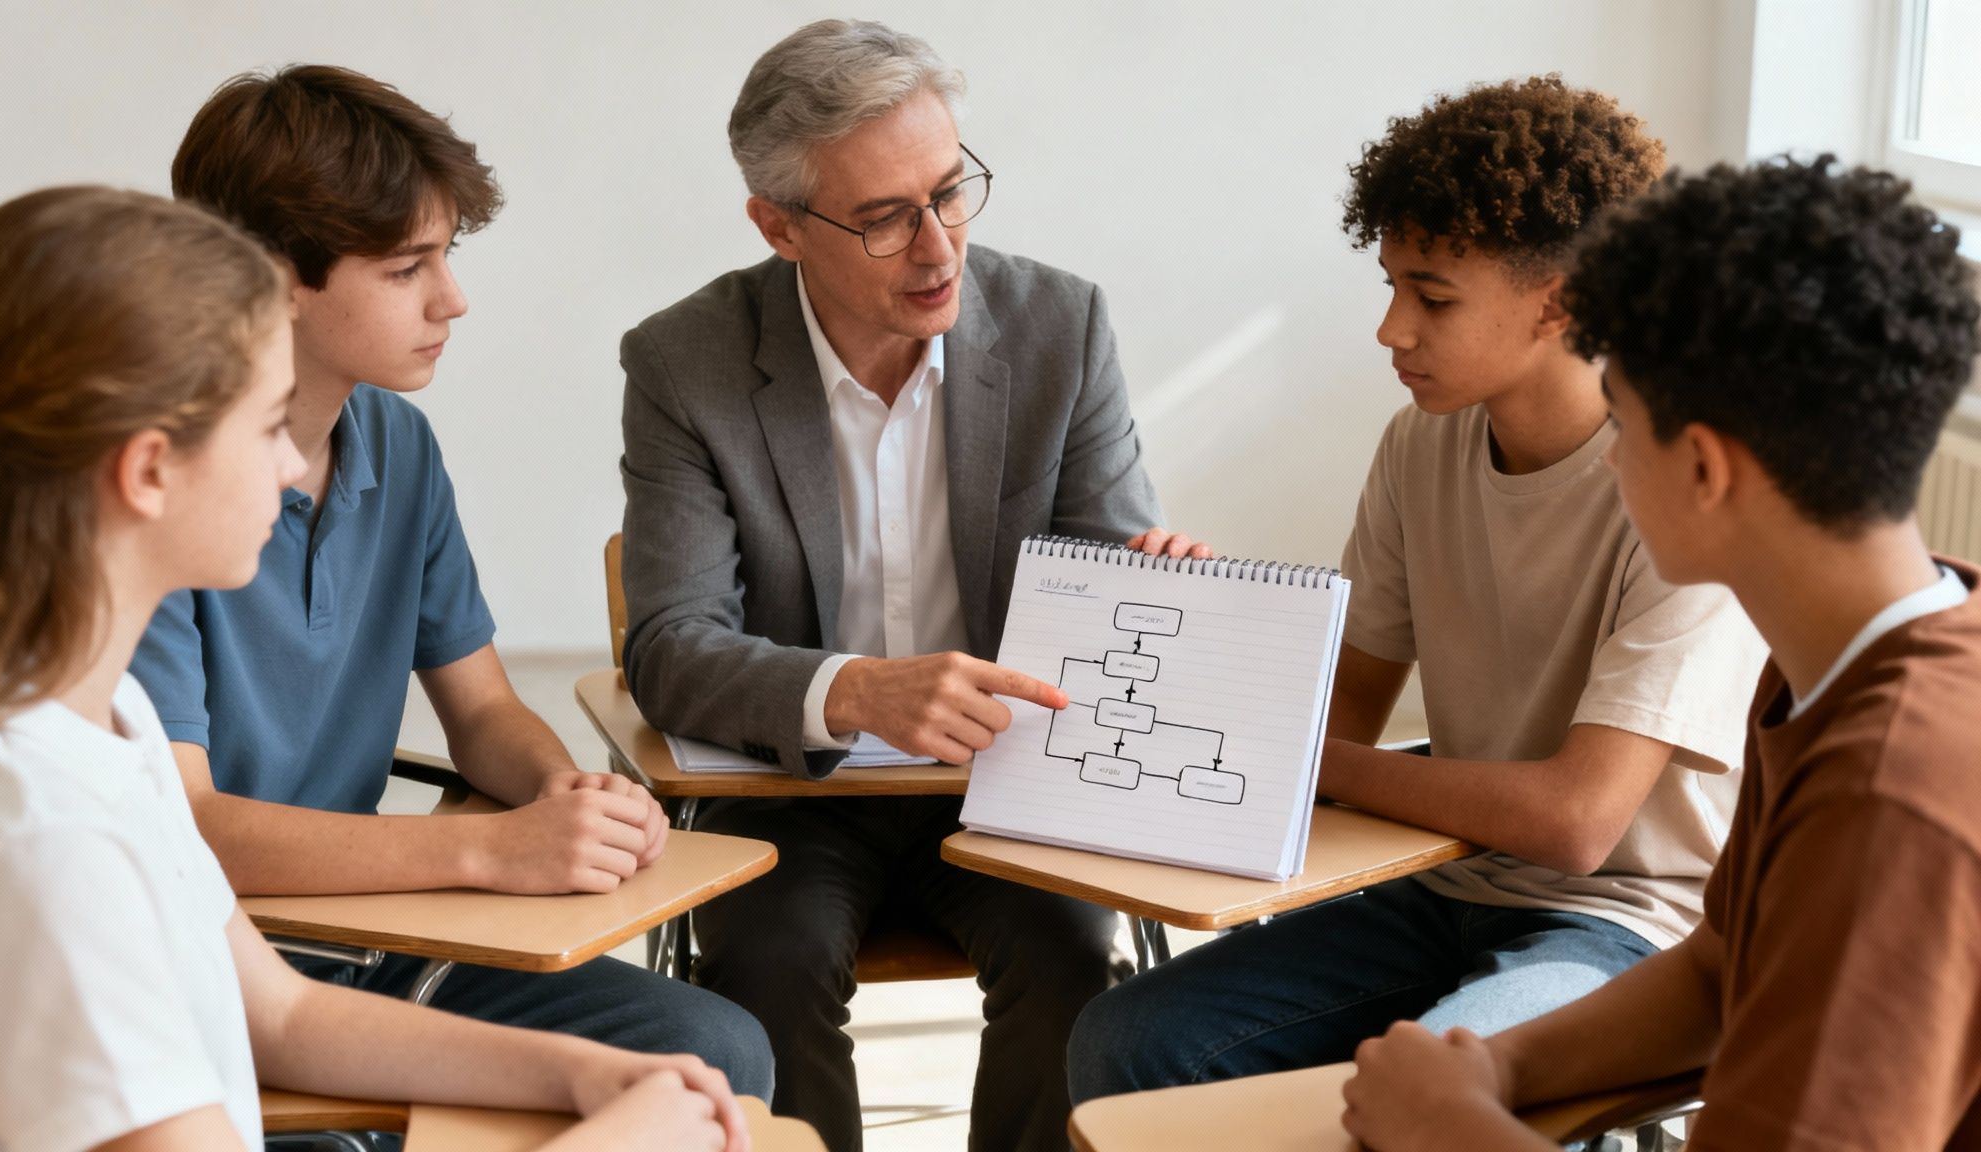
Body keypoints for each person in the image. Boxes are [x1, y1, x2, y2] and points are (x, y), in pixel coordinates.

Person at [0, 185, 745, 1152]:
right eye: (268, 423)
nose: (292, 467)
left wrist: (585, 1073)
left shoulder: (112, 730)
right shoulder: (43, 844)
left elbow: (281, 1017)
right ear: (148, 471)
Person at [1069, 76, 1768, 1101]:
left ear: (1561, 301)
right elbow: (1341, 707)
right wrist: (1210, 628)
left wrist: (1328, 764)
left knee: (1413, 1104)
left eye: (1431, 296)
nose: (1390, 329)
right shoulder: (1420, 444)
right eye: (1390, 284)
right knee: (1126, 1042)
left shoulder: (1679, 478)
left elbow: (1575, 822)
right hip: (1441, 884)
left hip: (1627, 923)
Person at [128, 64, 769, 1095]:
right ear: (271, 273)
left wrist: (565, 794)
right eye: (404, 267)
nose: (452, 299)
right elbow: (191, 827)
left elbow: (479, 711)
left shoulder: (398, 443)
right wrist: (490, 854)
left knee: (714, 1054)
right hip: (212, 965)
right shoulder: (160, 487)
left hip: (373, 932)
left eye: (447, 256)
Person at [618, 19, 1201, 1151]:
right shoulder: (684, 361)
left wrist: (1155, 597)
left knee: (1076, 960)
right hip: (794, 793)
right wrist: (854, 691)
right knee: (765, 968)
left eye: (949, 192)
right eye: (885, 218)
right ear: (776, 226)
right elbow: (671, 647)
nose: (938, 247)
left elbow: (1107, 578)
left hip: (1006, 782)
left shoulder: (1058, 328)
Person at [1341, 155, 1981, 1150]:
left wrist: (1447, 1130)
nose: (1604, 457)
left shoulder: (1890, 790)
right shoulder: (1848, 659)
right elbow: (1716, 971)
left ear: (1701, 466)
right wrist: (1496, 1068)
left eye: (1623, 423)